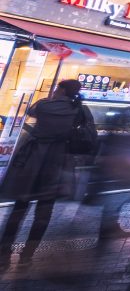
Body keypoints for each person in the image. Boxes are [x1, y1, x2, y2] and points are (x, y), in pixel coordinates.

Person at [0, 79, 95, 267]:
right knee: (44, 212)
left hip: (32, 161)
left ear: (60, 90)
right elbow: (91, 133)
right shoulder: (80, 110)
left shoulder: (43, 105)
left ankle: (3, 254)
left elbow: (30, 111)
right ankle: (27, 256)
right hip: (58, 163)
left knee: (19, 209)